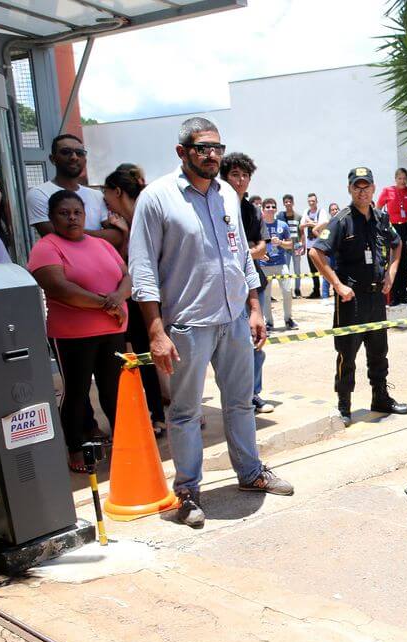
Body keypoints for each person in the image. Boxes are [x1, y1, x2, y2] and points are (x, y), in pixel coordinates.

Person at [128, 116, 293, 529]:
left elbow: (240, 259)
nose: (212, 155)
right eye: (203, 148)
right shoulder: (157, 198)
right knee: (185, 412)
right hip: (187, 325)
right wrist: (155, 331)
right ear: (182, 152)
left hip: (234, 318)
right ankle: (186, 491)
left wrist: (254, 308)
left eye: (217, 148)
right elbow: (143, 269)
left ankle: (250, 473)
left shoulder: (227, 196)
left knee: (240, 403)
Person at [27, 190, 129, 472]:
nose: (72, 218)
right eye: (64, 213)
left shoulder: (100, 244)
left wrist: (119, 297)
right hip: (73, 335)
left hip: (112, 330)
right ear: (51, 218)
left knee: (113, 389)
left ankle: (125, 444)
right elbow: (59, 288)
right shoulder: (46, 247)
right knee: (77, 392)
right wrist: (106, 304)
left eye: (77, 212)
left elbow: (126, 274)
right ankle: (75, 449)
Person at [309, 167, 407, 424]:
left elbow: (397, 246)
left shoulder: (381, 219)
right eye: (357, 187)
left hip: (376, 298)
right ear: (350, 189)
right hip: (350, 301)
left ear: (374, 188)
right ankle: (345, 405)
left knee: (379, 352)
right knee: (347, 354)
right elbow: (316, 253)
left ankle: (380, 397)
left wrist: (391, 273)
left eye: (366, 187)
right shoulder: (341, 220)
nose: (362, 191)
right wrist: (338, 285)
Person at [101, 163, 168, 433]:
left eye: (106, 193)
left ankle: (166, 413)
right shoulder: (115, 224)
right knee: (139, 359)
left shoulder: (146, 212)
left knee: (152, 358)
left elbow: (140, 260)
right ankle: (152, 415)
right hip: (133, 301)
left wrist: (126, 234)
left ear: (117, 191)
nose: (104, 200)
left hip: (151, 300)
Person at [219, 152, 274, 415]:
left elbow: (262, 248)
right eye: (235, 175)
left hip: (254, 286)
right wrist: (245, 250)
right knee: (228, 349)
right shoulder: (215, 205)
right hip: (224, 290)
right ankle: (234, 398)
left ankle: (253, 394)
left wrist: (243, 252)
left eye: (245, 176)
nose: (240, 181)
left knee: (256, 343)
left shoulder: (252, 211)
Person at [27, 133, 122, 249]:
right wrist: (101, 236)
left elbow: (117, 237)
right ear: (53, 159)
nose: (74, 157)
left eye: (79, 153)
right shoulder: (39, 194)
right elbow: (54, 237)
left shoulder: (96, 195)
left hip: (99, 263)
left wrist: (71, 231)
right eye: (66, 152)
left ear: (85, 160)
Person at [378, 169, 407, 304]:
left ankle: (403, 294)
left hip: (406, 227)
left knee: (405, 262)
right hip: (393, 227)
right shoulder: (387, 191)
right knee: (394, 261)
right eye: (400, 178)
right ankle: (393, 295)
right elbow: (378, 208)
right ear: (395, 179)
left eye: (405, 178)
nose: (402, 181)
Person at [260, 198, 297, 330]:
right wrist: (260, 253)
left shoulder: (283, 225)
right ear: (263, 209)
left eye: (273, 206)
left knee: (287, 291)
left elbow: (291, 244)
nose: (270, 209)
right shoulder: (259, 225)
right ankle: (268, 322)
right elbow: (254, 244)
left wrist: (280, 243)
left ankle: (288, 319)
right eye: (268, 207)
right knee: (265, 295)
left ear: (276, 209)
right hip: (264, 265)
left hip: (281, 263)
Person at [277, 194, 306, 298]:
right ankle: (287, 291)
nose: (288, 203)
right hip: (285, 247)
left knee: (297, 269)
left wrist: (303, 246)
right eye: (286, 202)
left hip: (297, 246)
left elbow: (302, 232)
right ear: (284, 203)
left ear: (293, 203)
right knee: (286, 270)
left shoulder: (298, 217)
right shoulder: (280, 216)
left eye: (290, 201)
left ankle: (297, 290)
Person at [299, 192, 325, 300]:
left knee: (323, 268)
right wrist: (312, 223)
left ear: (317, 202)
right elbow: (301, 225)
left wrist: (310, 222)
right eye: (309, 201)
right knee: (313, 269)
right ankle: (316, 290)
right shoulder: (306, 211)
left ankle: (325, 291)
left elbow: (323, 223)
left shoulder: (321, 211)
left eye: (313, 201)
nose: (311, 203)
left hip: (319, 244)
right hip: (310, 244)